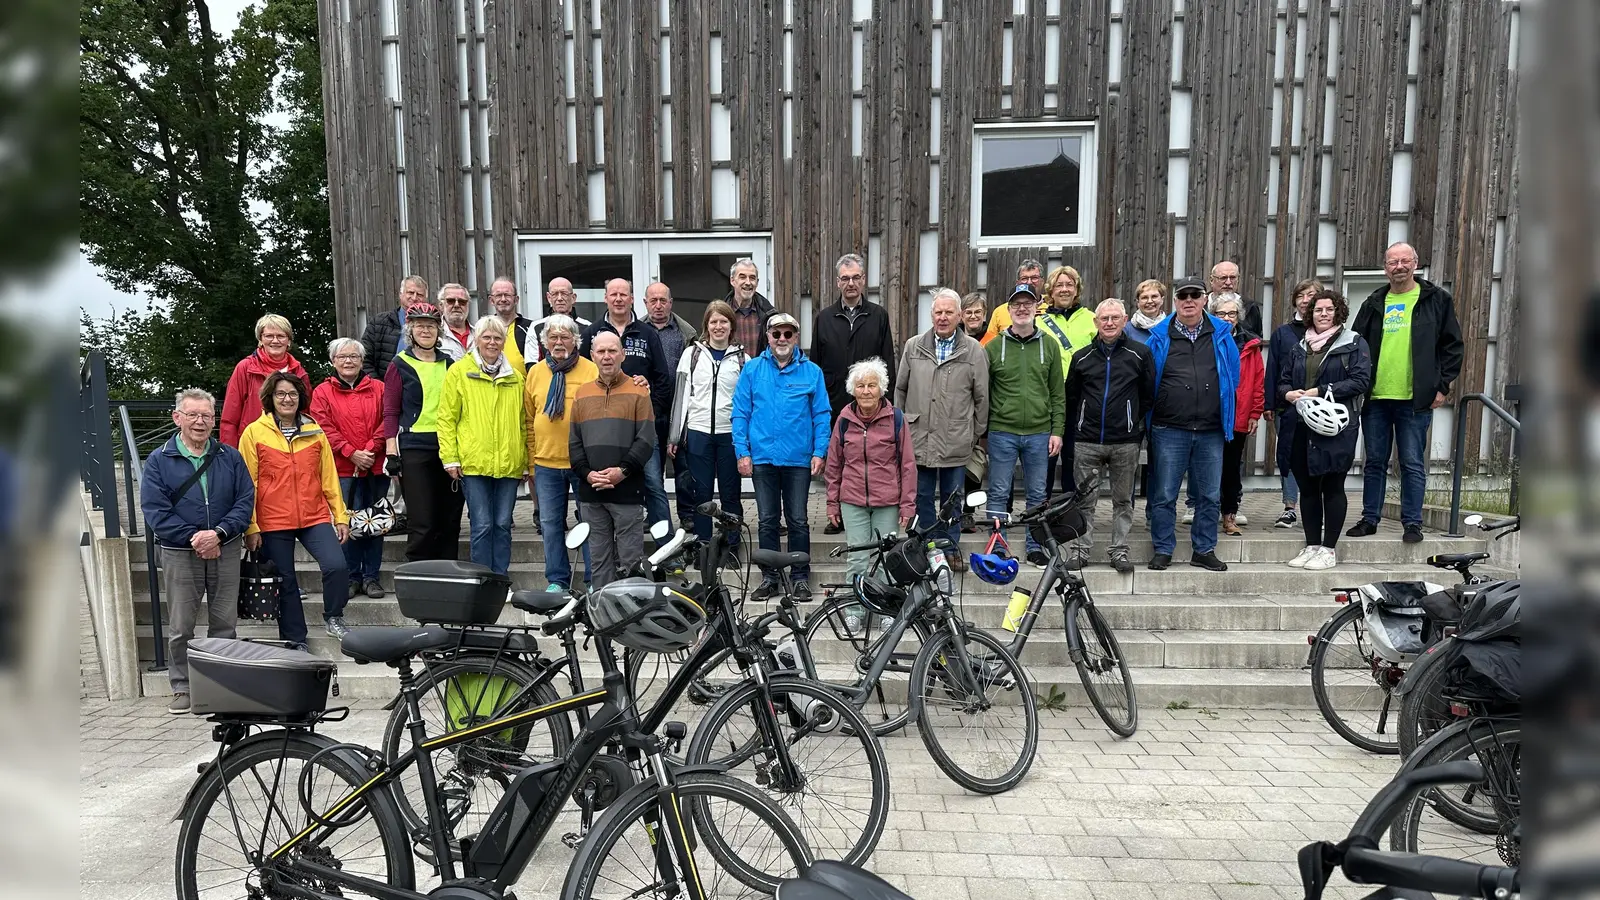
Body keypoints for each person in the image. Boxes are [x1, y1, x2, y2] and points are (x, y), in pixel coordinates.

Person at [141, 388, 255, 714]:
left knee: (224, 623)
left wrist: (218, 534)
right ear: (177, 418)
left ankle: (223, 684)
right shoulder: (159, 460)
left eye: (206, 415)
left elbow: (244, 501)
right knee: (181, 625)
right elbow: (155, 511)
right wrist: (196, 538)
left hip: (226, 547)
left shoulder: (229, 456)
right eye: (192, 415)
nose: (200, 421)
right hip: (179, 552)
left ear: (214, 419)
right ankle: (182, 686)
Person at [1347, 242, 1465, 543]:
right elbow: (1355, 345)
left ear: (1415, 263)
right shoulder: (1374, 302)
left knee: (1412, 463)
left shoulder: (1435, 300)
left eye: (1404, 261)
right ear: (1385, 267)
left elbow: (1452, 347)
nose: (1398, 267)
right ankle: (1369, 518)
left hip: (1416, 398)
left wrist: (1441, 387)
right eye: (1392, 262)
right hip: (1376, 397)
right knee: (1374, 461)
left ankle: (1412, 523)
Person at [239, 372, 351, 646]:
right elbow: (246, 484)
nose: (287, 399)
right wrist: (251, 526)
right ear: (270, 398)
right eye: (281, 394)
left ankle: (334, 617)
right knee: (285, 580)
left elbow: (329, 476)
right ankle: (294, 638)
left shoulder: (314, 430)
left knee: (336, 566)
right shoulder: (254, 432)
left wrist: (340, 515)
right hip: (272, 520)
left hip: (314, 516)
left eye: (292, 394)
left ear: (300, 397)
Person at [1144, 276, 1240, 572]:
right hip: (1169, 428)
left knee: (1210, 495)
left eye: (1194, 295)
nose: (1188, 301)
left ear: (1204, 299)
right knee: (1164, 494)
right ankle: (1162, 548)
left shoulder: (1222, 334)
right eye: (1182, 296)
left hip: (1210, 430)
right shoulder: (1159, 336)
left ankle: (1204, 549)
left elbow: (1232, 377)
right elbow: (1149, 382)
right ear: (1174, 301)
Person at [733, 313, 831, 601]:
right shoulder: (751, 371)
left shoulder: (812, 372)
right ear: (768, 336)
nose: (782, 339)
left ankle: (800, 577)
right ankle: (769, 577)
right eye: (777, 334)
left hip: (798, 459)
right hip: (762, 457)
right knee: (767, 520)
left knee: (798, 519)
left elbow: (822, 415)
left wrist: (819, 451)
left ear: (796, 337)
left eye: (788, 334)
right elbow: (740, 413)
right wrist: (743, 452)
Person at [894, 288, 988, 570]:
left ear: (959, 316)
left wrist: (973, 434)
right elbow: (900, 389)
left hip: (956, 437)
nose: (943, 317)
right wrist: (901, 427)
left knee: (952, 498)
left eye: (949, 312)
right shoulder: (913, 346)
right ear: (931, 315)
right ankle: (927, 545)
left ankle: (950, 546)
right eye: (938, 312)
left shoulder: (974, 350)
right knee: (921, 495)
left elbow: (982, 397)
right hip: (919, 436)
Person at [1280, 290, 1373, 570]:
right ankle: (1311, 545)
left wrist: (1321, 390)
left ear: (1338, 312)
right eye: (1318, 309)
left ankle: (1328, 549)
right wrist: (1288, 394)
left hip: (1336, 426)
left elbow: (1361, 380)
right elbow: (1283, 380)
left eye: (1329, 309)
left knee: (1332, 487)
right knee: (1307, 489)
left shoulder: (1353, 343)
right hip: (1302, 424)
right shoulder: (1300, 346)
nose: (1323, 314)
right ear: (1310, 313)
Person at [827, 358, 917, 633]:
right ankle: (856, 609)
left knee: (885, 559)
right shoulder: (844, 419)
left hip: (887, 501)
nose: (866, 391)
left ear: (882, 389)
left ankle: (887, 608)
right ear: (853, 390)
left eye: (872, 385)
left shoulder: (896, 419)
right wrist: (832, 502)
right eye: (861, 386)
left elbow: (908, 464)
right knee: (857, 558)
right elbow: (834, 464)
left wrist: (908, 505)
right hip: (852, 500)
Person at [1064, 300, 1153, 574]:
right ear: (1096, 322)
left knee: (1123, 500)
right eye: (1104, 318)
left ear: (1125, 320)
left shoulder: (1140, 354)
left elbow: (1148, 395)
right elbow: (1072, 396)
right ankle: (1080, 550)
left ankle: (1119, 551)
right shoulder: (1081, 358)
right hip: (1087, 440)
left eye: (1115, 317)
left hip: (1124, 441)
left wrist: (1131, 422)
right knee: (1084, 500)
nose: (1110, 323)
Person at [811, 253, 897, 533]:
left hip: (871, 403)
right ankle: (837, 515)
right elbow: (816, 365)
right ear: (838, 282)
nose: (851, 283)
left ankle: (869, 511)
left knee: (867, 456)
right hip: (836, 401)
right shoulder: (824, 318)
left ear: (863, 280)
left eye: (856, 277)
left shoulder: (878, 316)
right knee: (837, 460)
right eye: (845, 278)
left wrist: (887, 402)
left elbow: (887, 363)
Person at [437, 316, 526, 576]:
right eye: (486, 337)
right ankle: (481, 580)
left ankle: (500, 579)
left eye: (497, 337)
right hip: (473, 463)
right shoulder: (459, 372)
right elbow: (446, 418)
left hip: (509, 464)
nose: (492, 342)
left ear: (504, 342)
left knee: (502, 525)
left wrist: (523, 461)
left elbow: (523, 422)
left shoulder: (516, 378)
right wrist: (450, 458)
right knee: (483, 524)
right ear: (476, 340)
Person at [582, 278, 674, 529]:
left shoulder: (647, 334)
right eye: (614, 294)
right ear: (606, 298)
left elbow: (662, 379)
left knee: (654, 483)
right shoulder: (591, 333)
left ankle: (666, 548)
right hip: (605, 429)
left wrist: (649, 409)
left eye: (624, 294)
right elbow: (582, 377)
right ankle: (609, 544)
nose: (619, 299)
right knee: (608, 481)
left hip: (644, 426)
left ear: (632, 299)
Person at [983, 284, 1065, 569]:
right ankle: (998, 544)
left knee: (1037, 493)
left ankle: (1035, 546)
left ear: (1036, 307)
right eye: (1016, 304)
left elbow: (1057, 393)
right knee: (998, 491)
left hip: (1040, 432)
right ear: (1008, 310)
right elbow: (985, 392)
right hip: (1002, 431)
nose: (1021, 308)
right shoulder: (993, 347)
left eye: (1027, 304)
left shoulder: (1050, 345)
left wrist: (1057, 430)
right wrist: (985, 429)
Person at [569, 332, 655, 589]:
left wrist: (622, 471)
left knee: (632, 562)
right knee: (599, 562)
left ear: (623, 354)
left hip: (627, 490)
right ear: (592, 356)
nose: (607, 357)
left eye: (612, 351)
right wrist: (586, 474)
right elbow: (574, 442)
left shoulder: (639, 391)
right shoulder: (582, 394)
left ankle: (632, 619)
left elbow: (646, 440)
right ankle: (604, 623)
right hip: (592, 491)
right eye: (601, 352)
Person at [382, 302, 464, 561]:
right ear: (411, 330)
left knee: (449, 518)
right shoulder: (399, 364)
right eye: (419, 326)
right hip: (414, 447)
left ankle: (448, 571)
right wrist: (391, 452)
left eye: (430, 326)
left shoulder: (449, 363)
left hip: (447, 447)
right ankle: (417, 572)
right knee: (422, 519)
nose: (425, 330)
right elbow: (390, 411)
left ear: (439, 331)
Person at [670, 301, 750, 556]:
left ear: (731, 326)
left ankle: (731, 546)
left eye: (723, 322)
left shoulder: (743, 359)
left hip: (730, 433)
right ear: (706, 325)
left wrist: (746, 440)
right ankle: (704, 546)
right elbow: (681, 397)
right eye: (713, 322)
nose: (718, 327)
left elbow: (748, 402)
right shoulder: (691, 355)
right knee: (701, 492)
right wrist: (675, 435)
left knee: (730, 493)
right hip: (698, 432)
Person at [310, 338, 388, 599]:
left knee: (374, 524)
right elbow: (323, 428)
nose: (348, 361)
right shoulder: (322, 393)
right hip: (341, 470)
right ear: (333, 361)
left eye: (354, 356)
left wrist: (370, 448)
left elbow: (386, 420)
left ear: (362, 360)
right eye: (342, 357)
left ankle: (371, 577)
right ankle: (351, 576)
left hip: (374, 467)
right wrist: (351, 452)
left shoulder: (379, 388)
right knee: (347, 524)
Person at [524, 314, 596, 591]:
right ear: (544, 342)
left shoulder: (591, 371)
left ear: (575, 340)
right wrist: (531, 462)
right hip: (546, 462)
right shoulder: (535, 373)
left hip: (583, 463)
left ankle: (593, 579)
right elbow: (529, 420)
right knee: (550, 524)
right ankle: (557, 580)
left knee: (589, 523)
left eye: (564, 336)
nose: (558, 342)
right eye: (553, 337)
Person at [1035, 265, 1097, 499]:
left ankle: (1073, 508)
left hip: (1082, 396)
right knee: (1047, 454)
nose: (1064, 289)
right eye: (1059, 285)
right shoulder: (1039, 322)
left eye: (1069, 285)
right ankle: (1043, 505)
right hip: (1048, 396)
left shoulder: (1092, 319)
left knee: (1074, 454)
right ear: (1050, 290)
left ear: (1077, 289)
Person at [1267, 278, 1322, 529]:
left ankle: (1317, 508)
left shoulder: (1331, 333)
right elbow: (1273, 369)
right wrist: (1270, 403)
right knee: (1288, 455)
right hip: (1287, 406)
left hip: (1322, 407)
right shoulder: (1283, 333)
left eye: (1311, 295)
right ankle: (1290, 507)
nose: (1305, 300)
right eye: (1300, 295)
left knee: (1318, 456)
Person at [643, 281, 700, 524]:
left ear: (671, 303)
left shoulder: (685, 333)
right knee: (650, 467)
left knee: (684, 465)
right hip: (648, 409)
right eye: (653, 300)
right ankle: (654, 516)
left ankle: (687, 514)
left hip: (680, 409)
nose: (658, 305)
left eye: (662, 300)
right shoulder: (638, 331)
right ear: (645, 303)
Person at [1209, 295, 1266, 537]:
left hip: (1239, 416)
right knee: (1208, 468)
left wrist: (1255, 413)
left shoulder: (1250, 345)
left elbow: (1258, 382)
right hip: (1210, 416)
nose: (1227, 318)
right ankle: (1207, 515)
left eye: (1231, 314)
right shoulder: (1206, 340)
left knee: (1232, 468)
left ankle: (1229, 516)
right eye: (1221, 314)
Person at [220, 314, 308, 446]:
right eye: (269, 336)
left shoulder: (299, 372)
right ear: (260, 340)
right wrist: (229, 456)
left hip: (292, 446)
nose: (275, 341)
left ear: (289, 341)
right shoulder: (245, 368)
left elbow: (306, 416)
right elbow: (229, 419)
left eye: (281, 336)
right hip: (254, 445)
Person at [361, 275, 429, 379]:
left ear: (425, 299)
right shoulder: (379, 322)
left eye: (419, 295)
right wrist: (379, 387)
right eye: (410, 293)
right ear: (401, 294)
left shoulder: (432, 327)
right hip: (384, 387)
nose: (414, 298)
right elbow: (364, 359)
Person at [981, 259, 1047, 342]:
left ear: (1042, 281)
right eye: (1024, 278)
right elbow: (988, 344)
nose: (1029, 282)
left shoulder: (1052, 308)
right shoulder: (1000, 312)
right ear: (1017, 283)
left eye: (1034, 278)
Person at [726, 257, 776, 354]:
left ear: (757, 282)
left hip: (760, 369)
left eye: (752, 278)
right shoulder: (721, 315)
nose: (748, 283)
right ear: (732, 281)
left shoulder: (769, 314)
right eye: (742, 277)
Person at [531, 277, 592, 353]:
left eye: (564, 294)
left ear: (573, 298)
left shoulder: (588, 327)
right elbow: (532, 363)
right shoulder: (536, 327)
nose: (559, 298)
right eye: (555, 294)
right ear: (549, 298)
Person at [488, 276, 537, 371]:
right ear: (491, 300)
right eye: (498, 295)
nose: (503, 299)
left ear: (516, 300)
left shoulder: (530, 327)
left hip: (525, 384)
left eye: (507, 295)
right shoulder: (484, 328)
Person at [1207, 260, 1263, 336]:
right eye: (1223, 278)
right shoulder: (1201, 305)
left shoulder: (1249, 307)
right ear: (1211, 280)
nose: (1228, 282)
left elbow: (1257, 340)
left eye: (1232, 278)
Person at [437, 283, 474, 360]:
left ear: (468, 305)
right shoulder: (434, 335)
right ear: (441, 305)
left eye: (462, 302)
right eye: (451, 301)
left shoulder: (479, 335)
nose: (457, 305)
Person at [1125, 279, 1168, 344]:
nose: (1150, 301)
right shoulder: (1126, 329)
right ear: (1138, 302)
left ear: (1162, 300)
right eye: (1144, 297)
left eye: (1154, 296)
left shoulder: (1170, 327)